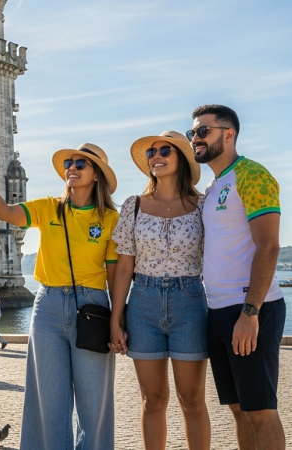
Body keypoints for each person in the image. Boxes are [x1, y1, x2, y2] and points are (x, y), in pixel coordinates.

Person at [0, 143, 120, 450]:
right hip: (48, 305)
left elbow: (116, 275)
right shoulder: (48, 207)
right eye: (70, 162)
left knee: (94, 402)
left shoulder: (110, 219)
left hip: (93, 307)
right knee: (49, 401)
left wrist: (118, 320)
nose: (73, 167)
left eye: (82, 164)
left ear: (97, 176)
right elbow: (7, 213)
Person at [190, 105, 285, 450]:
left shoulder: (252, 174)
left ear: (228, 134)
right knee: (239, 410)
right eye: (193, 133)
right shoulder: (214, 186)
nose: (196, 139)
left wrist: (251, 312)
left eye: (203, 131)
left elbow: (269, 246)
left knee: (260, 411)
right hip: (218, 310)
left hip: (249, 309)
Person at [110, 130, 210, 449]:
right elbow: (124, 266)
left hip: (190, 302)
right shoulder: (134, 205)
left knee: (191, 399)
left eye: (165, 150)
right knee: (153, 400)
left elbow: (216, 259)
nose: (157, 156)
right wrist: (116, 318)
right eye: (152, 152)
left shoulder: (202, 206)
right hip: (143, 304)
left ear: (182, 157)